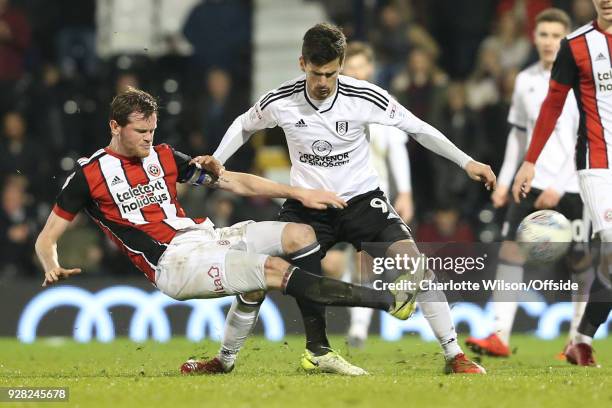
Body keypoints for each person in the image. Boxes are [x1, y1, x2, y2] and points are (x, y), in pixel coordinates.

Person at [34, 87, 420, 364]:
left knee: (299, 234)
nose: (149, 140)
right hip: (173, 264)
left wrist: (299, 194)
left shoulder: (165, 156)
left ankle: (232, 359)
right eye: (140, 132)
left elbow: (233, 180)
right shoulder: (88, 175)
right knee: (270, 272)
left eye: (153, 131)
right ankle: (387, 302)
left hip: (205, 237)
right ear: (115, 126)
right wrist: (50, 264)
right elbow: (47, 237)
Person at [194, 23, 495, 376]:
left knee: (415, 266)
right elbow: (245, 124)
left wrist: (467, 161)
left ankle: (453, 355)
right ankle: (226, 359)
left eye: (331, 73)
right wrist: (219, 157)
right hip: (307, 207)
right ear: (302, 63)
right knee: (256, 278)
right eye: (317, 73)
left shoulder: (364, 96)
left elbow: (418, 127)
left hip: (362, 200)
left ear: (342, 64)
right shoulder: (281, 101)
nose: (323, 82)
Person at [465, 8, 594, 359]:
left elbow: (590, 136)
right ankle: (498, 335)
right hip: (530, 182)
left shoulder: (583, 81)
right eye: (543, 35)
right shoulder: (524, 80)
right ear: (533, 38)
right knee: (510, 250)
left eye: (556, 35)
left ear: (567, 39)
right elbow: (518, 137)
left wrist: (562, 183)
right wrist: (505, 181)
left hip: (572, 185)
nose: (549, 42)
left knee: (581, 261)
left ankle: (577, 342)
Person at [512, 0, 612, 367]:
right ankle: (582, 340)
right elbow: (553, 105)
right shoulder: (576, 45)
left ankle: (580, 339)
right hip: (598, 164)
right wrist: (530, 161)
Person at [322, 41, 414, 348]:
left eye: (363, 66)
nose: (357, 72)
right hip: (332, 197)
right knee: (332, 265)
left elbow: (397, 152)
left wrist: (405, 192)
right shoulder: (332, 102)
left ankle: (358, 330)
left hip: (370, 197)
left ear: (371, 68)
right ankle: (342, 324)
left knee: (366, 262)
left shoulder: (383, 102)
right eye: (352, 67)